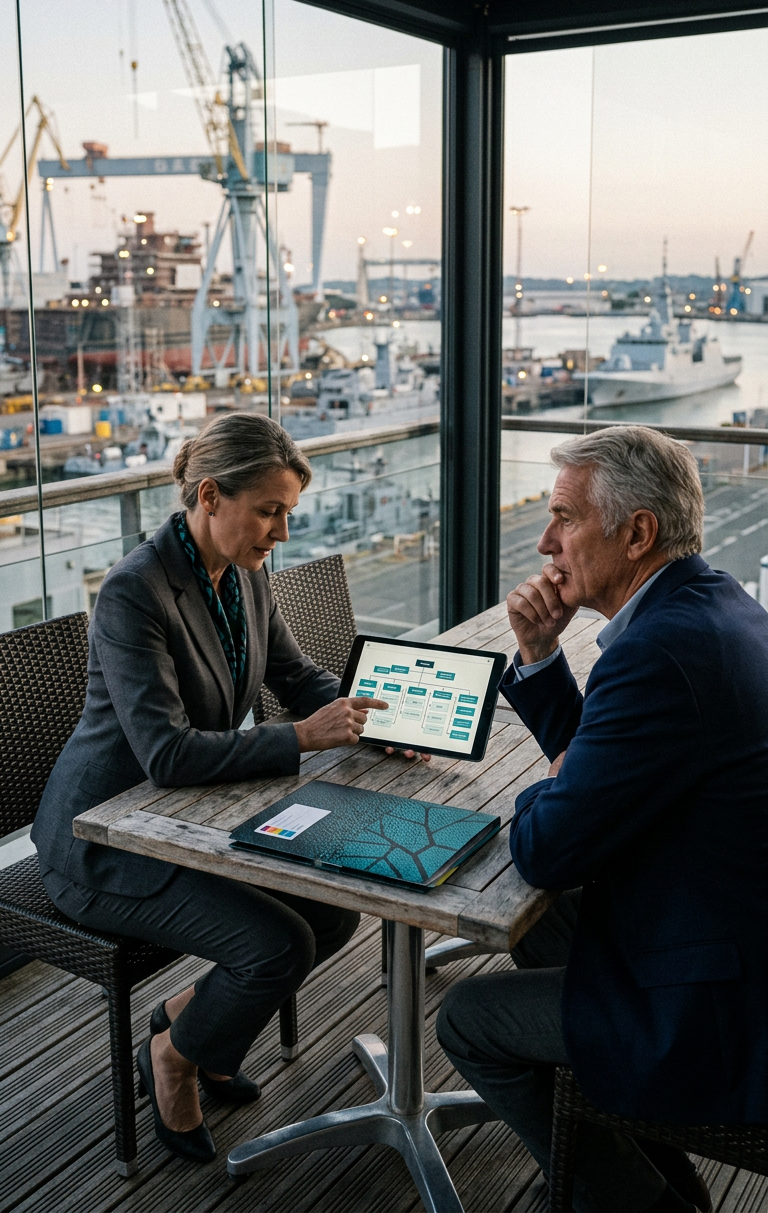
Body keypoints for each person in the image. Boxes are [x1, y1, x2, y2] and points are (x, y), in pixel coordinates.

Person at [32, 412, 422, 1164]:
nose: (280, 532)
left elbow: (295, 676)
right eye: (269, 511)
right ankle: (175, 1059)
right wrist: (305, 736)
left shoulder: (244, 574)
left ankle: (187, 1020)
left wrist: (369, 717)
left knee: (334, 910)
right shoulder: (133, 593)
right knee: (276, 945)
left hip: (187, 818)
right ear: (210, 495)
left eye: (287, 514)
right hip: (103, 841)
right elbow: (168, 755)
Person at [437, 425, 768, 1213]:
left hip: (718, 1001)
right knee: (538, 930)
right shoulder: (716, 606)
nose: (546, 542)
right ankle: (659, 1172)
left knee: (466, 1019)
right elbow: (615, 776)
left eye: (565, 519)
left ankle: (637, 1202)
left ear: (638, 531)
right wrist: (543, 658)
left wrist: (546, 788)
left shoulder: (654, 654)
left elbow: (547, 848)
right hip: (724, 923)